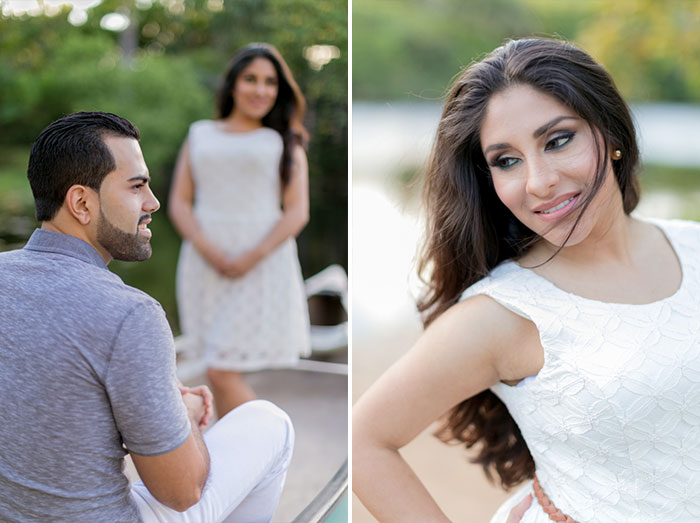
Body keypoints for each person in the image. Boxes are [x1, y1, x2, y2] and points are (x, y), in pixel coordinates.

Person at [353, 37, 700, 522]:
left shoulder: (693, 244)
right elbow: (364, 440)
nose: (538, 181)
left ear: (611, 132)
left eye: (558, 140)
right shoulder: (502, 313)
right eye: (506, 160)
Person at [0, 111, 294, 522]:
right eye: (137, 186)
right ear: (82, 202)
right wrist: (184, 412)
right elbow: (181, 491)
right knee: (270, 423)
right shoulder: (130, 314)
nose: (153, 202)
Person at [169, 42, 311, 417]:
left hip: (261, 264)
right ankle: (231, 452)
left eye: (269, 82)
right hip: (204, 263)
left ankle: (269, 444)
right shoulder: (200, 134)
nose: (260, 90)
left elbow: (297, 212)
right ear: (233, 84)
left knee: (221, 369)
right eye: (251, 79)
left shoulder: (284, 140)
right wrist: (208, 248)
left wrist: (252, 256)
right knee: (213, 364)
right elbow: (179, 202)